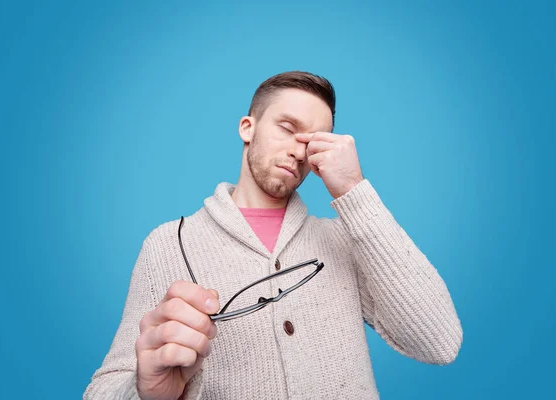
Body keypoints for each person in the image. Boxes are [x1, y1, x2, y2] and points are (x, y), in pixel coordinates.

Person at [83, 71, 463, 400]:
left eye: (313, 140)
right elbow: (104, 389)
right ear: (247, 127)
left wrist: (354, 190)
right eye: (287, 128)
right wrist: (148, 392)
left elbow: (439, 343)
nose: (299, 150)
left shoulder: (347, 239)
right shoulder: (169, 243)